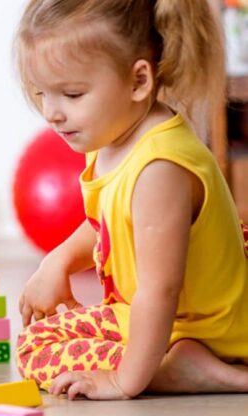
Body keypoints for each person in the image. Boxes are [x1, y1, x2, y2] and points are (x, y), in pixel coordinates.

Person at [14, 0, 248, 400]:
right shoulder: (114, 135)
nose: (51, 113)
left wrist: (125, 380)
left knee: (35, 349)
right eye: (42, 93)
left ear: (139, 81)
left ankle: (188, 369)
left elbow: (159, 289)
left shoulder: (159, 168)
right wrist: (59, 261)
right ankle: (178, 361)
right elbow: (106, 224)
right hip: (167, 317)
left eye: (71, 94)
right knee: (38, 336)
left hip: (193, 326)